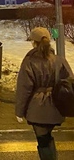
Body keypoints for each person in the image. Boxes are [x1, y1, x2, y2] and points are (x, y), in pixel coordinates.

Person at [15, 27, 73, 160]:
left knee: (43, 140)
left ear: (34, 43)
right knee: (47, 138)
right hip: (57, 106)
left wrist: (19, 111)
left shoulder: (29, 61)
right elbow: (69, 81)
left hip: (38, 109)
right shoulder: (59, 60)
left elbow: (24, 88)